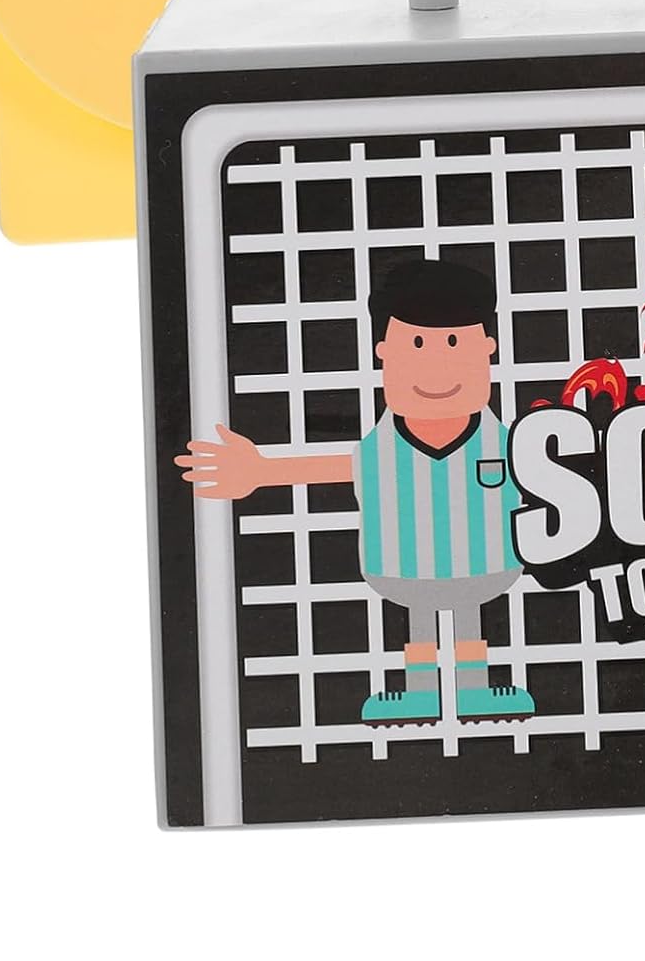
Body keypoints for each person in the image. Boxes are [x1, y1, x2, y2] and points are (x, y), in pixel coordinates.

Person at [177, 256, 534, 725]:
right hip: (403, 566)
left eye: (452, 342)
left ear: (488, 348)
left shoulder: (504, 442)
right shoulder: (380, 448)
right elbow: (336, 467)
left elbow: (542, 468)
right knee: (420, 622)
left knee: (469, 615)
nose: (436, 365)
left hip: (486, 563)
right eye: (417, 343)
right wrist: (260, 471)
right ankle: (421, 695)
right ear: (383, 350)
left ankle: (474, 691)